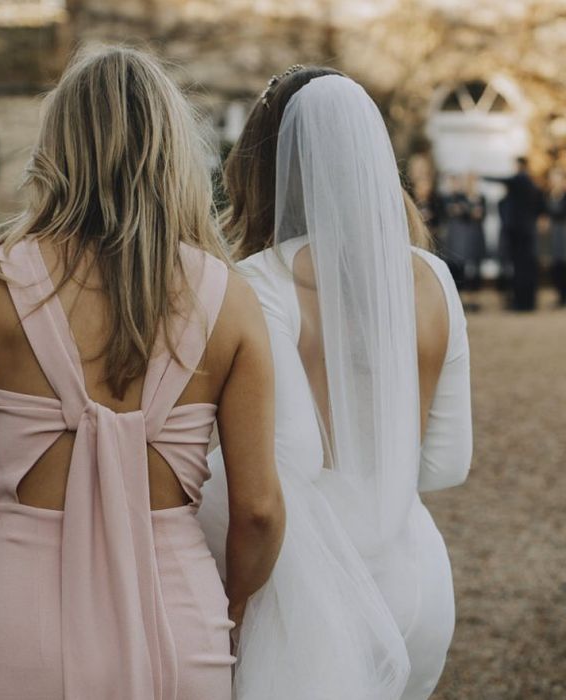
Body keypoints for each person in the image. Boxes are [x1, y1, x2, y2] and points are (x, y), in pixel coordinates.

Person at [0, 47, 285, 700]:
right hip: (178, 613)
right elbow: (260, 509)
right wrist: (232, 611)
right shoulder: (231, 298)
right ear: (171, 149)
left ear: (58, 146)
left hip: (20, 609)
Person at [199, 68, 472, 700]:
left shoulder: (255, 283)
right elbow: (446, 466)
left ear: (259, 168)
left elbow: (281, 462)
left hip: (305, 597)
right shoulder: (433, 279)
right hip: (417, 585)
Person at [484, 157, 544, 311]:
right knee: (524, 269)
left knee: (521, 270)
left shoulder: (522, 181)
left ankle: (522, 303)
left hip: (520, 236)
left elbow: (504, 180)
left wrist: (481, 175)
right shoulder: (532, 187)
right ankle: (526, 302)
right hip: (525, 234)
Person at [545, 168, 566, 306]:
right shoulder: (548, 196)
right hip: (554, 234)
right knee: (556, 265)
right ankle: (560, 295)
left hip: (564, 233)